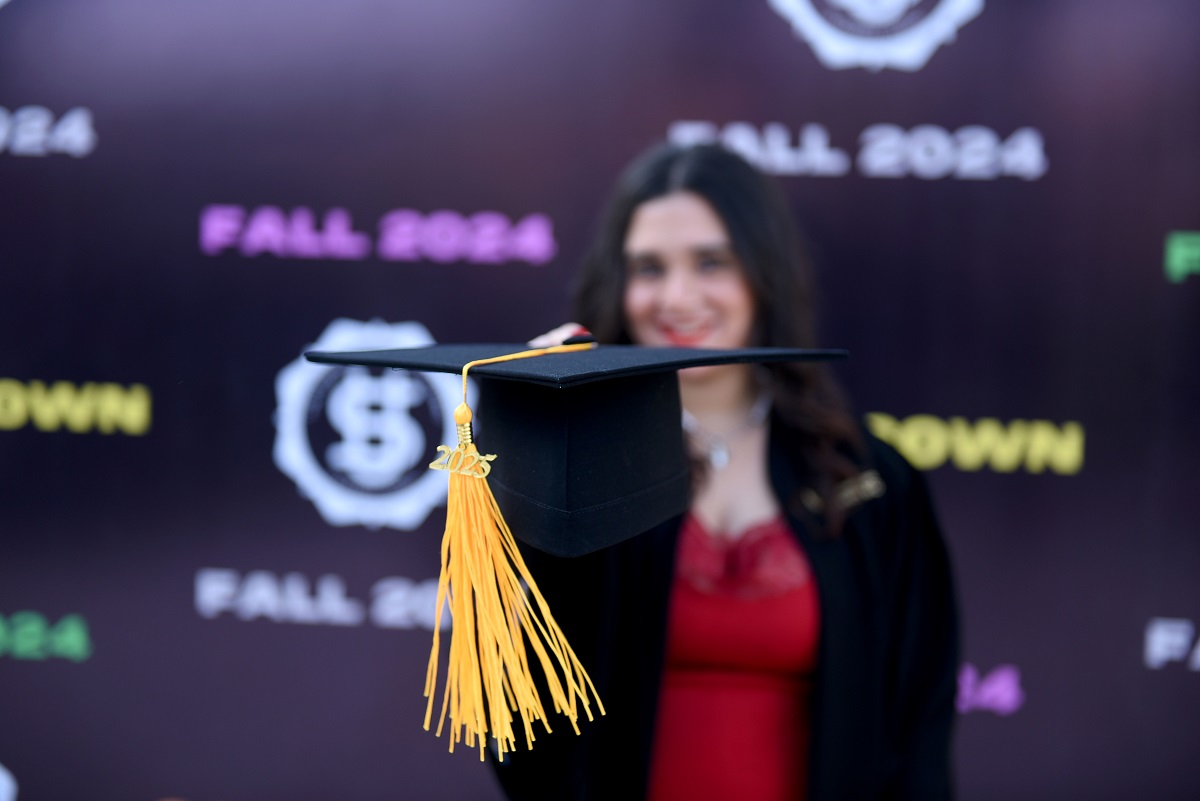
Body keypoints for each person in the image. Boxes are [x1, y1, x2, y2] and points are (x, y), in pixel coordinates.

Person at [492, 143, 959, 801]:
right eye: (649, 268)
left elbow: (919, 735)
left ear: (764, 273)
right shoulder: (582, 475)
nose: (677, 297)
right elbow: (516, 724)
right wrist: (544, 459)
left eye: (711, 262)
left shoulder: (874, 481)